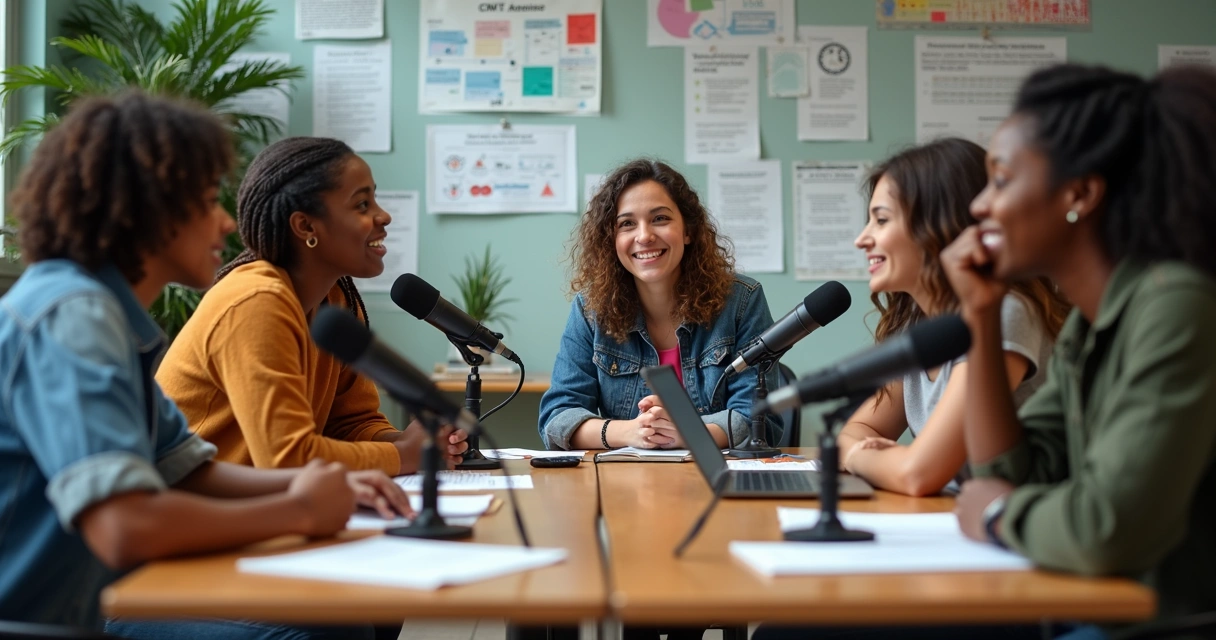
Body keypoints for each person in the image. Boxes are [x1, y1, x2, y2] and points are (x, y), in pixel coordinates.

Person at [0, 91, 408, 638]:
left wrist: (330, 484)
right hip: (57, 620)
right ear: (147, 208)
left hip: (103, 595)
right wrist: (298, 510)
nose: (224, 223)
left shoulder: (106, 316)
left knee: (354, 613)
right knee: (322, 628)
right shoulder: (73, 318)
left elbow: (189, 470)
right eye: (203, 201)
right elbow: (125, 527)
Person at [942, 63, 1216, 639]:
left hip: (1161, 623)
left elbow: (1107, 529)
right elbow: (1009, 472)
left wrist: (995, 515)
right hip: (1092, 604)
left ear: (1080, 194)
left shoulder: (1176, 305)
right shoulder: (1089, 324)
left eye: (1002, 179)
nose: (979, 207)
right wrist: (983, 317)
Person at [156, 136, 467, 476]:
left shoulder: (337, 300)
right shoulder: (256, 301)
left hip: (265, 510)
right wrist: (403, 457)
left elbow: (350, 422)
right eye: (362, 205)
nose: (384, 216)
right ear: (306, 226)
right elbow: (285, 457)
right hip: (196, 517)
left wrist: (409, 442)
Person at [838, 138, 1069, 496]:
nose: (862, 239)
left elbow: (917, 475)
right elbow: (854, 433)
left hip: (1025, 533)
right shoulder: (919, 323)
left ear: (938, 225)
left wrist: (861, 458)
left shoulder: (1004, 313)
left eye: (881, 220)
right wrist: (885, 457)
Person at [539, 158, 776, 452]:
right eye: (627, 224)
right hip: (626, 485)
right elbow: (557, 418)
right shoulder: (590, 310)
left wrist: (687, 432)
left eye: (660, 219)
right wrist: (630, 432)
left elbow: (758, 419)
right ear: (610, 240)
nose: (644, 236)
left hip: (715, 482)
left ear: (688, 230)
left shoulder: (741, 301)